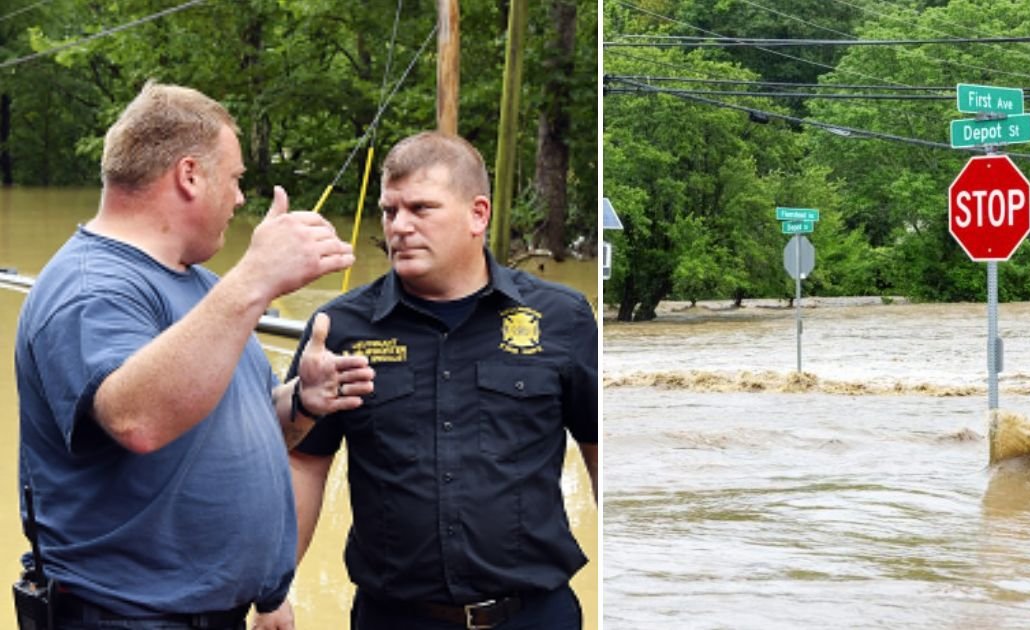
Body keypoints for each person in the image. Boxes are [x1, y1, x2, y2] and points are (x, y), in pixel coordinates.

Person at [14, 81, 374, 630]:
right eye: (233, 180)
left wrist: (303, 401)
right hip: (125, 616)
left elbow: (229, 432)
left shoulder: (204, 288)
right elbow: (138, 420)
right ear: (188, 175)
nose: (237, 199)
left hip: (214, 611)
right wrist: (254, 279)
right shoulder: (91, 286)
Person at [286, 131, 598, 629]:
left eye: (421, 209)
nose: (399, 227)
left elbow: (602, 453)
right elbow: (304, 463)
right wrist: (275, 586)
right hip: (394, 617)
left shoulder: (562, 318)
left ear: (479, 214)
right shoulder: (339, 329)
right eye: (390, 211)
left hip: (533, 615)